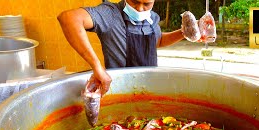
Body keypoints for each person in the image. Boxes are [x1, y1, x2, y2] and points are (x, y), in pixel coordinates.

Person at [57, 0, 191, 96]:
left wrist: (184, 32)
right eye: (135, 2)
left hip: (149, 89)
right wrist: (96, 66)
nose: (140, 9)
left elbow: (158, 41)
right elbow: (68, 18)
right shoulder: (110, 14)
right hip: (119, 92)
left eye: (146, 4)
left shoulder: (152, 18)